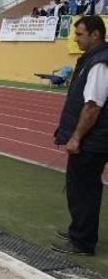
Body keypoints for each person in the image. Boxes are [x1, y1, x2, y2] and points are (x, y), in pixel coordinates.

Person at [52, 15, 108, 256]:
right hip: (94, 138)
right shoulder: (92, 59)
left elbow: (93, 105)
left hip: (93, 140)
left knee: (83, 189)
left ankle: (82, 242)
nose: (76, 39)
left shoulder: (99, 64)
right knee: (80, 187)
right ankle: (79, 230)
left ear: (95, 34)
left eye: (79, 34)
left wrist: (76, 138)